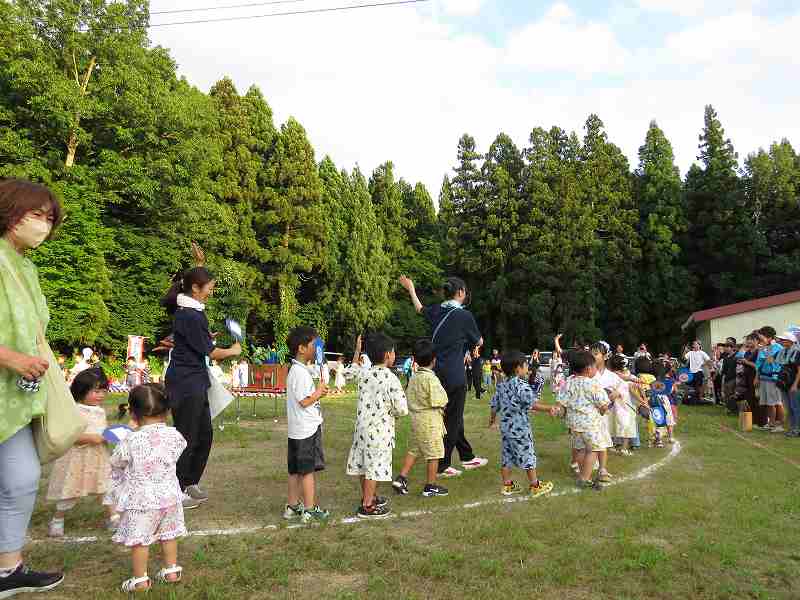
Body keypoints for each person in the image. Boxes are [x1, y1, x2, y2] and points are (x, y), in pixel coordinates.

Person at [0, 178, 65, 596]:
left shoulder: (25, 266)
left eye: (49, 218)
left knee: (21, 479)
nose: (43, 224)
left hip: (15, 397)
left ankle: (8, 569)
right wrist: (11, 358)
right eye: (36, 214)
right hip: (9, 379)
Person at [162, 267, 242, 510]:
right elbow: (212, 352)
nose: (211, 292)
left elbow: (196, 342)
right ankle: (175, 489)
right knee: (186, 437)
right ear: (195, 288)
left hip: (195, 381)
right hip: (185, 383)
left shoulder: (193, 312)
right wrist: (233, 351)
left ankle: (189, 482)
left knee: (204, 435)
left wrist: (206, 338)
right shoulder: (190, 314)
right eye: (209, 287)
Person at [399, 275, 488, 477]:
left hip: (436, 373)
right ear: (460, 292)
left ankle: (467, 456)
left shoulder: (437, 310)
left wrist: (411, 289)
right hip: (455, 375)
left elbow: (419, 308)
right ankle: (442, 465)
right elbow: (479, 342)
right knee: (452, 420)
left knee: (454, 416)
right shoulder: (464, 316)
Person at [111, 384, 187, 593]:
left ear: (133, 414)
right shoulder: (174, 436)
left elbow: (116, 460)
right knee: (169, 534)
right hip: (170, 497)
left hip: (142, 501)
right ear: (167, 410)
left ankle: (140, 580)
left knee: (140, 541)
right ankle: (172, 571)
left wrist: (129, 431)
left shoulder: (130, 439)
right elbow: (179, 449)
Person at [46, 368, 118, 538]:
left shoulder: (100, 410)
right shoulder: (74, 411)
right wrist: (90, 438)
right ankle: (57, 519)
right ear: (81, 390)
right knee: (70, 489)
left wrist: (110, 435)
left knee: (107, 487)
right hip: (76, 459)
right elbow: (68, 436)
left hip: (98, 458)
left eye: (103, 391)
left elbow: (102, 431)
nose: (101, 395)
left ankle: (114, 518)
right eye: (96, 391)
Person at [346, 333, 408, 519]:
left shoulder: (364, 373)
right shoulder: (391, 378)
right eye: (394, 352)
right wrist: (392, 413)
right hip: (380, 432)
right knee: (374, 468)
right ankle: (367, 505)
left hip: (362, 430)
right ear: (388, 354)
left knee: (364, 465)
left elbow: (349, 373)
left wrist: (357, 350)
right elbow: (402, 409)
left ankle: (369, 496)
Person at [489, 350, 556, 497]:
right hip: (520, 430)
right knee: (528, 456)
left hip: (506, 429)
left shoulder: (501, 386)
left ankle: (507, 485)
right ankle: (535, 485)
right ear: (518, 368)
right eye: (526, 365)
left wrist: (492, 421)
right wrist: (549, 408)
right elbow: (533, 404)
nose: (527, 368)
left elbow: (494, 406)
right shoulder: (522, 386)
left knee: (506, 457)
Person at [283, 326, 330, 523]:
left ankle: (292, 506)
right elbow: (304, 401)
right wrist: (318, 393)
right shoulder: (300, 373)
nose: (317, 347)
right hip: (306, 431)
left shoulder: (297, 370)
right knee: (307, 471)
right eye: (314, 344)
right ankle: (309, 509)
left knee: (295, 470)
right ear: (302, 348)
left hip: (296, 431)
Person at [393, 339, 449, 498]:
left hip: (416, 421)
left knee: (414, 449)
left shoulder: (414, 378)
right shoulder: (431, 379)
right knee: (434, 453)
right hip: (430, 423)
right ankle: (430, 486)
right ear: (434, 360)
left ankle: (401, 478)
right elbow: (441, 400)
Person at [556, 350, 610, 490]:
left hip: (574, 425)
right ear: (588, 369)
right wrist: (604, 410)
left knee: (580, 450)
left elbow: (561, 402)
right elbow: (603, 405)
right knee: (593, 450)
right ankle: (584, 478)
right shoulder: (593, 384)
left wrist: (558, 411)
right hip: (590, 425)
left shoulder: (568, 382)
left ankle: (583, 474)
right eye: (594, 366)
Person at [589, 342, 622, 483]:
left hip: (603, 414)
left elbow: (622, 387)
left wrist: (616, 393)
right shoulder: (587, 373)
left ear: (605, 356)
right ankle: (584, 465)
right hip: (588, 414)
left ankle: (602, 469)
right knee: (587, 442)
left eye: (596, 353)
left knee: (601, 441)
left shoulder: (611, 376)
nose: (592, 356)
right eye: (591, 353)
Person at [755, 326, 785, 432]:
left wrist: (765, 349)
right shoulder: (763, 347)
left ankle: (779, 425)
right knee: (767, 403)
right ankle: (771, 423)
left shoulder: (778, 347)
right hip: (763, 377)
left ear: (769, 337)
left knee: (776, 402)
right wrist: (757, 377)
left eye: (761, 337)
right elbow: (759, 363)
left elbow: (771, 360)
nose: (760, 340)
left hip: (773, 378)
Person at [608, 355, 637, 456]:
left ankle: (611, 445)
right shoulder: (621, 376)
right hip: (624, 402)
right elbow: (630, 381)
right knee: (627, 424)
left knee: (611, 423)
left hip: (612, 403)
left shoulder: (610, 375)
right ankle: (624, 448)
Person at [775, 331, 800, 437]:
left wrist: (795, 384)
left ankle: (797, 429)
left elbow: (799, 371)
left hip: (794, 384)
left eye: (784, 340)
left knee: (795, 407)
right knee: (788, 408)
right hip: (784, 383)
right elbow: (770, 360)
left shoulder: (797, 352)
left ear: (790, 341)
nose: (782, 341)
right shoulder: (782, 352)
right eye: (781, 340)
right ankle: (791, 428)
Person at [720, 339, 739, 414]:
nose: (726, 348)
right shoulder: (725, 358)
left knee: (732, 394)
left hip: (733, 378)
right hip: (726, 379)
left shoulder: (736, 357)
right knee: (726, 394)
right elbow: (724, 370)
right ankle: (728, 409)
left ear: (732, 348)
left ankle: (734, 409)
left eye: (728, 347)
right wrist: (723, 379)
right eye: (725, 347)